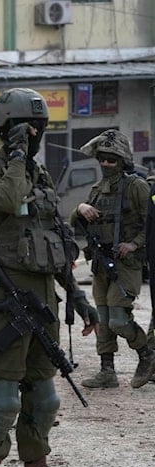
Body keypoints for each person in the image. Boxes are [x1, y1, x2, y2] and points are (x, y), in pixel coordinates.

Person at [0, 87, 99, 467]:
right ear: (7, 130)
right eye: (27, 128)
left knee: (44, 399)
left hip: (43, 299)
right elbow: (5, 200)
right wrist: (19, 154)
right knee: (3, 399)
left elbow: (55, 240)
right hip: (8, 300)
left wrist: (78, 297)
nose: (36, 134)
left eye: (40, 129)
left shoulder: (38, 177)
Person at [69, 129, 155, 390]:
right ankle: (107, 371)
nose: (106, 164)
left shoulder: (137, 187)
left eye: (112, 160)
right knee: (104, 320)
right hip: (100, 262)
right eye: (103, 159)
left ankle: (147, 355)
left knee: (118, 319)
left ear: (123, 161)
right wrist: (79, 208)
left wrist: (134, 244)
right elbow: (76, 222)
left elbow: (149, 223)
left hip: (126, 264)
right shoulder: (97, 190)